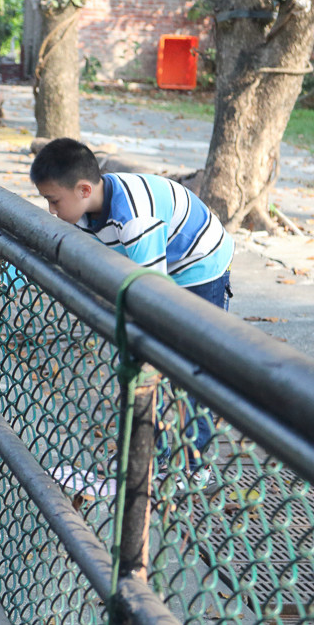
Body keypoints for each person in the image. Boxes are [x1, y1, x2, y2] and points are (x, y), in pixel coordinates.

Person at [30, 137, 233, 491]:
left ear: (82, 189)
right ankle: (146, 452)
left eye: (53, 201)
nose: (51, 210)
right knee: (136, 358)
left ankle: (195, 464)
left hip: (200, 266)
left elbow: (150, 298)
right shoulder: (83, 209)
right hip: (152, 267)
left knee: (191, 368)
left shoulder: (136, 219)